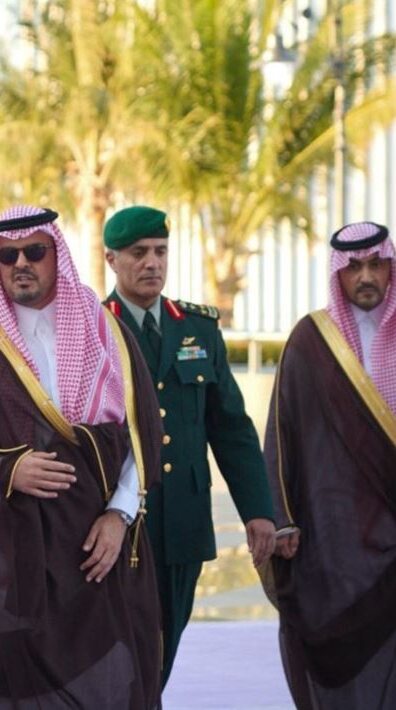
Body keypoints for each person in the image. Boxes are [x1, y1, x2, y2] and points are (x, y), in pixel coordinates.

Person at [0, 205, 164, 709]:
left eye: (34, 252)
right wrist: (7, 470)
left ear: (57, 255)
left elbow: (141, 436)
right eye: (7, 257)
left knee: (111, 685)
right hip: (16, 556)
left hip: (97, 551)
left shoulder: (108, 334)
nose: (21, 265)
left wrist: (119, 516)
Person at [265, 221, 396, 709]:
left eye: (376, 264)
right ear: (338, 273)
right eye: (354, 267)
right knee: (341, 643)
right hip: (336, 537)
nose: (366, 276)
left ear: (392, 266)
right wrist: (282, 520)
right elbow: (283, 435)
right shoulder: (311, 339)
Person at [101, 205, 275, 686]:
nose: (152, 263)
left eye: (160, 252)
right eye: (139, 253)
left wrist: (259, 511)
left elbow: (231, 428)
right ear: (112, 260)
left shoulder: (197, 328)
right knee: (121, 650)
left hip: (183, 519)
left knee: (164, 646)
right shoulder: (94, 329)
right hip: (120, 524)